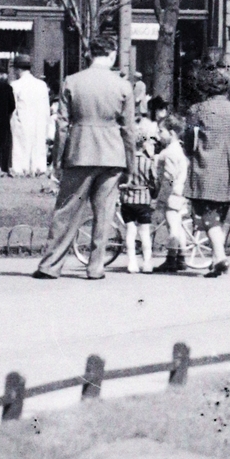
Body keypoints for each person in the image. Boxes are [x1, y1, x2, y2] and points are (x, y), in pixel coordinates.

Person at [34, 36, 136, 280]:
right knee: (104, 213)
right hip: (112, 155)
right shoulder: (123, 86)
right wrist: (130, 164)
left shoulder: (72, 81)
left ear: (89, 54)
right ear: (112, 55)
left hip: (80, 150)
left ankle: (51, 265)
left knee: (67, 211)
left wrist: (57, 159)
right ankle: (95, 267)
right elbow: (129, 130)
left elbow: (61, 125)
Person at [183, 66, 230, 277]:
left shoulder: (197, 109)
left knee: (207, 212)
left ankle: (221, 256)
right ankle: (216, 260)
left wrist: (190, 151)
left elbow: (188, 138)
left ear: (205, 89)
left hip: (205, 164)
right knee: (219, 213)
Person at [153, 112, 190, 273]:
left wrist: (162, 196)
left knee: (172, 226)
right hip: (180, 192)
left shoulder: (169, 153)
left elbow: (169, 177)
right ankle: (182, 257)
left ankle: (171, 259)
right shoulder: (178, 150)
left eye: (161, 131)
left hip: (172, 194)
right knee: (178, 225)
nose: (158, 135)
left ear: (172, 133)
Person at [119, 127, 159, 273]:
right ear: (143, 144)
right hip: (143, 199)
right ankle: (147, 262)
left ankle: (132, 262)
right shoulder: (148, 162)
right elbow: (155, 181)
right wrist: (153, 195)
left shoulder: (125, 161)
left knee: (130, 231)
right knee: (144, 232)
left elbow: (120, 179)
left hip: (127, 199)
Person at [9, 52, 51, 175]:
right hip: (39, 119)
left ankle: (21, 169)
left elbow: (13, 107)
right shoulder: (41, 85)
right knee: (38, 144)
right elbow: (46, 107)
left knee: (20, 145)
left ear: (17, 69)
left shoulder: (15, 85)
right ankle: (38, 168)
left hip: (22, 119)